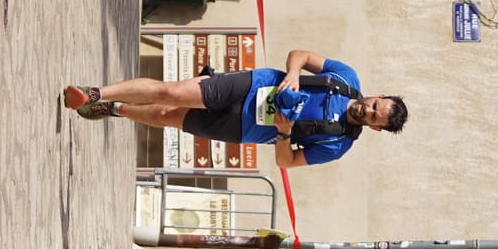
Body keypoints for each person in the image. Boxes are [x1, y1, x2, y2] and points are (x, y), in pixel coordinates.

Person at [62, 49, 405, 168]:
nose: (368, 110)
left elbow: (287, 162)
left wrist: (284, 133)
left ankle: (115, 109)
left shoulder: (337, 144)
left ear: (376, 128)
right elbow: (299, 54)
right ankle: (94, 93)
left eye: (374, 117)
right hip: (254, 84)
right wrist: (293, 74)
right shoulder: (345, 78)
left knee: (166, 116)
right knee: (171, 92)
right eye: (375, 104)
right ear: (377, 95)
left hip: (243, 128)